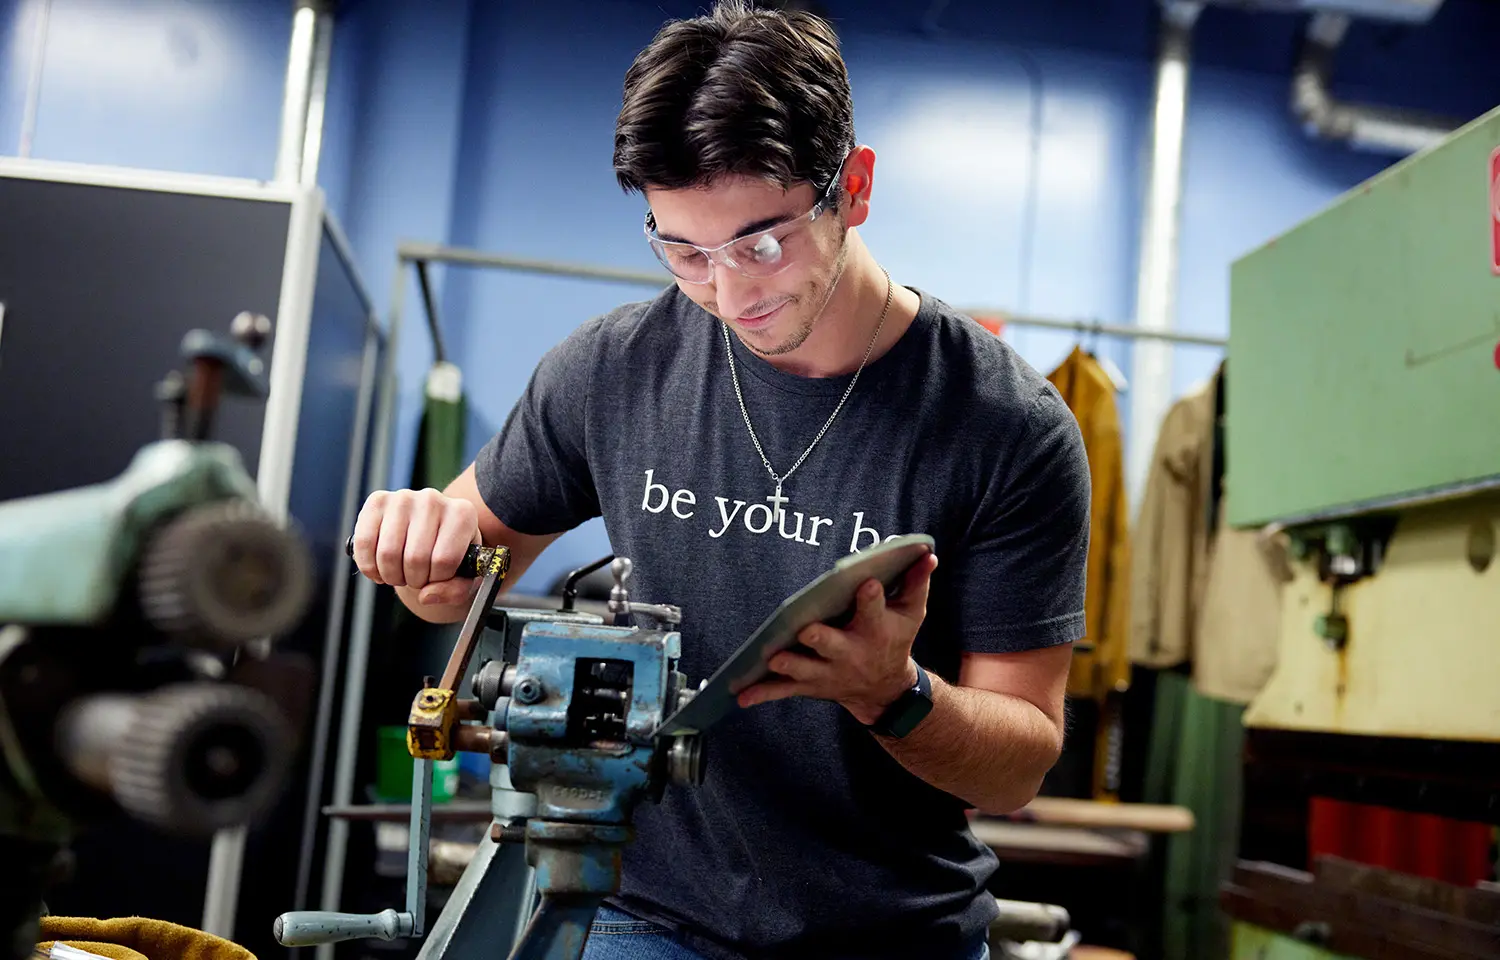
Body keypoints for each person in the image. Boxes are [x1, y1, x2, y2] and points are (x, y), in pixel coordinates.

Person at [349, 2, 1091, 957]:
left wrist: (891, 692)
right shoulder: (613, 368)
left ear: (853, 188)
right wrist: (422, 543)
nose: (729, 293)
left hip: (893, 931)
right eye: (683, 250)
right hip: (640, 911)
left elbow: (1018, 766)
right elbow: (458, 575)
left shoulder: (1005, 428)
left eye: (761, 243)